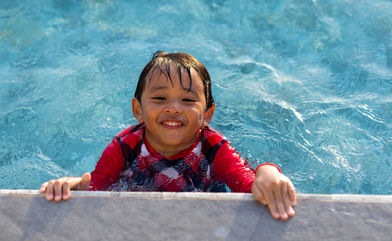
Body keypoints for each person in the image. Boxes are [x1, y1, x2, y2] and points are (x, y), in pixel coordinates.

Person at [40, 51, 296, 220]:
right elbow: (95, 195)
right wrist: (76, 188)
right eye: (160, 98)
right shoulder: (124, 146)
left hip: (201, 214)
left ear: (207, 114)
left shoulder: (214, 147)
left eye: (187, 99)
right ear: (138, 110)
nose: (173, 108)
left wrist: (268, 172)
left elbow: (248, 184)